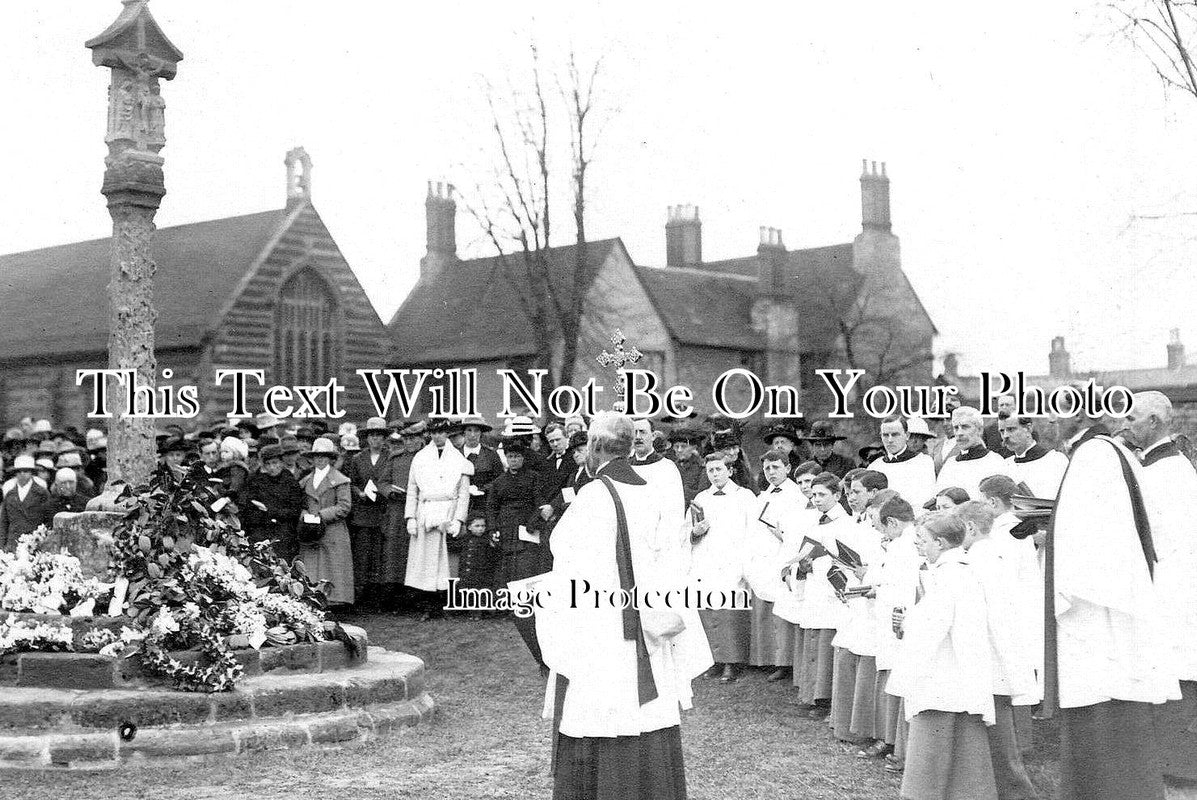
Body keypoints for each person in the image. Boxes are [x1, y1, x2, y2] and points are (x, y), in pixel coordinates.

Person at [535, 411, 712, 800]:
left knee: (603, 710)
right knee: (648, 712)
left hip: (605, 628)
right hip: (650, 622)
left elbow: (568, 564)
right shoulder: (652, 490)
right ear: (631, 446)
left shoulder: (592, 497)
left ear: (595, 449)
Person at [1045, 432, 1180, 800]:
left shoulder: (1095, 459)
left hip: (1097, 623)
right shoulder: (1115, 461)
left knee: (1102, 716)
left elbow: (1081, 552)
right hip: (1113, 623)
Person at [1117, 391, 1197, 786]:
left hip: (1173, 587)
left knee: (1176, 671)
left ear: (1154, 423)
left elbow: (1166, 536)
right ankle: (1160, 764)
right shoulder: (1147, 465)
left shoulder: (1173, 471)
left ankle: (1177, 769)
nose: (1125, 424)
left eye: (1132, 418)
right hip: (1157, 583)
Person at [888, 512, 997, 800]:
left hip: (940, 675)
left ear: (939, 542)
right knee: (965, 756)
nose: (918, 546)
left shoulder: (947, 576)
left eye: (921, 540)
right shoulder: (962, 570)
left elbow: (931, 627)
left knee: (930, 761)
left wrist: (907, 624)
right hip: (961, 675)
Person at [956, 500, 1039, 800]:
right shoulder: (989, 554)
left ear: (969, 527)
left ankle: (1017, 794)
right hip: (994, 656)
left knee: (999, 739)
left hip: (992, 657)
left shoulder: (982, 560)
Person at [687, 452, 756, 682]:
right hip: (706, 561)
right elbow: (689, 531)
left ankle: (732, 663)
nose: (715, 474)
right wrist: (695, 533)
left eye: (719, 469)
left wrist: (745, 562)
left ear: (730, 470)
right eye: (710, 470)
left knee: (730, 613)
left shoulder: (744, 497)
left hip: (733, 561)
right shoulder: (701, 498)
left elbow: (753, 532)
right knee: (709, 611)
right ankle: (714, 660)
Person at [867, 495, 921, 764]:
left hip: (899, 621)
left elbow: (906, 587)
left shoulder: (904, 545)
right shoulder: (903, 543)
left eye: (881, 527)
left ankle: (896, 745)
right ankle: (892, 741)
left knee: (899, 681)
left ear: (892, 523)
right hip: (895, 618)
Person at [488, 439, 551, 666]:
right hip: (506, 532)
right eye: (510, 457)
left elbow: (540, 503)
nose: (513, 460)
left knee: (528, 572)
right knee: (510, 573)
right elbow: (492, 508)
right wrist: (493, 529)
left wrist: (533, 522)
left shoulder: (533, 477)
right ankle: (518, 610)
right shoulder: (498, 483)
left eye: (517, 456)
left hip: (527, 531)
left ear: (523, 458)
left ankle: (530, 610)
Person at [746, 449, 804, 682]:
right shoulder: (764, 496)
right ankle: (767, 658)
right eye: (767, 468)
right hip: (765, 555)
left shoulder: (797, 496)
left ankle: (785, 662)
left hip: (784, 554)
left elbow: (798, 528)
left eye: (776, 467)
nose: (771, 472)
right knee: (765, 606)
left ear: (788, 468)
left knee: (784, 606)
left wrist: (784, 535)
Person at [404, 418, 471, 620]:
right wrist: (410, 518)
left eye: (441, 432)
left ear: (447, 434)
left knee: (446, 564)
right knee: (425, 562)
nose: (437, 436)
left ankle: (445, 606)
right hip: (425, 512)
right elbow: (412, 489)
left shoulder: (458, 458)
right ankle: (427, 607)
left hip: (448, 512)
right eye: (433, 433)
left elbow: (463, 493)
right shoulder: (420, 457)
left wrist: (459, 519)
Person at [297, 437, 354, 607]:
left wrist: (321, 515)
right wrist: (305, 514)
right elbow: (300, 503)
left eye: (324, 456)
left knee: (332, 566)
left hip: (332, 530)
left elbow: (344, 506)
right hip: (310, 530)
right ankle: (313, 599)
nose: (320, 459)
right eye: (316, 456)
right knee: (312, 565)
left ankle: (334, 601)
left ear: (330, 458)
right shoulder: (306, 480)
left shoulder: (340, 480)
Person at [343, 417, 392, 608]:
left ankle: (379, 597)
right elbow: (352, 483)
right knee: (362, 555)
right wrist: (359, 492)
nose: (375, 439)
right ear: (367, 438)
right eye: (372, 435)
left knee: (380, 556)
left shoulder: (390, 456)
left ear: (384, 438)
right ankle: (361, 596)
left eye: (379, 435)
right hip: (363, 513)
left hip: (383, 511)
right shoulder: (358, 458)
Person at [244, 444, 303, 562]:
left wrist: (272, 512)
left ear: (281, 462)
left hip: (284, 534)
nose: (272, 467)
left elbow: (295, 510)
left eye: (275, 463)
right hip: (262, 531)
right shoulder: (257, 481)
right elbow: (249, 508)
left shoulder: (290, 482)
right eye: (268, 464)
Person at [936, 406, 1011, 498]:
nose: (959, 433)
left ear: (979, 430)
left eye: (965, 427)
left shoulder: (995, 462)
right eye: (956, 428)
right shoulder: (950, 464)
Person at [870, 416, 936, 510]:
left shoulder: (923, 462)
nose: (890, 440)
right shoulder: (874, 466)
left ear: (907, 435)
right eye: (885, 435)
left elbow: (925, 499)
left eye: (895, 434)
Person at [999, 412, 1067, 499]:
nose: (1005, 436)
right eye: (1002, 431)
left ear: (1028, 428)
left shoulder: (1055, 460)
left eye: (1011, 429)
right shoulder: (1004, 465)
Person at [0, 455, 52, 550]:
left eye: (26, 471)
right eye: (19, 471)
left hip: (34, 543)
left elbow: (49, 519)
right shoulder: (10, 494)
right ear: (15, 473)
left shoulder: (42, 493)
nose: (22, 474)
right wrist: (2, 546)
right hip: (13, 545)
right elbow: (4, 523)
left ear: (32, 473)